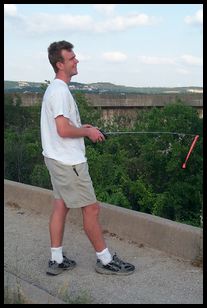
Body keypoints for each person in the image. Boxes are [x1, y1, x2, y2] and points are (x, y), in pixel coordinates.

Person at [40, 40, 135, 276]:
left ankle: (56, 259)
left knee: (60, 206)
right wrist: (88, 133)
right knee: (91, 209)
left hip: (55, 158)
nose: (77, 61)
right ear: (60, 64)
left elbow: (63, 126)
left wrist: (82, 127)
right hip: (68, 163)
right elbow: (62, 130)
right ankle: (105, 261)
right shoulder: (60, 91)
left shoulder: (54, 89)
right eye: (71, 58)